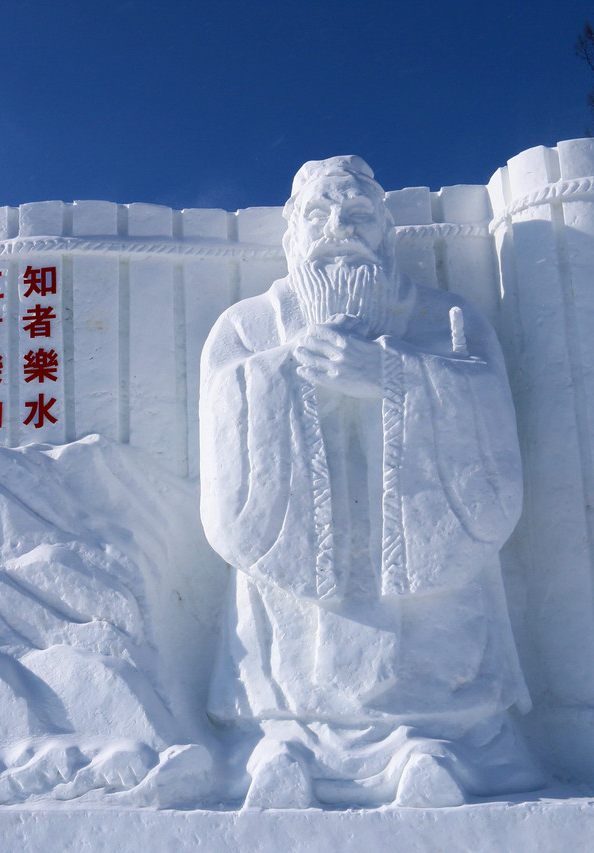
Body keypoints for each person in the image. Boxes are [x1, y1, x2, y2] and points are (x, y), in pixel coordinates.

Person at [199, 156, 541, 808]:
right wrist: (289, 376)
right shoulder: (246, 326)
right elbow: (227, 424)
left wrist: (388, 378)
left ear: (385, 231)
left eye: (358, 215)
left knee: (432, 653)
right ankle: (286, 739)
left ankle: (431, 741)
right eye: (321, 216)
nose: (341, 230)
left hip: (419, 563)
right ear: (294, 233)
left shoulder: (450, 321)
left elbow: (489, 414)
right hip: (299, 556)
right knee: (294, 652)